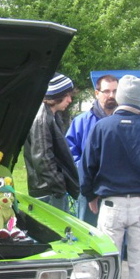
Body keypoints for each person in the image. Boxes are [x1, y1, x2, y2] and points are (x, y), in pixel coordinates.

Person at [80, 75, 140, 279]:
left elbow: (88, 165)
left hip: (110, 203)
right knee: (139, 263)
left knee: (108, 262)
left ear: (119, 97)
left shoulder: (102, 127)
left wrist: (89, 195)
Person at [66, 74, 119, 225]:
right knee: (87, 231)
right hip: (89, 189)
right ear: (97, 93)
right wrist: (85, 175)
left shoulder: (122, 123)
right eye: (107, 91)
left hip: (115, 190)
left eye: (115, 91)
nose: (111, 95)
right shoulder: (81, 122)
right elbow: (70, 152)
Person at [24, 73, 80, 212]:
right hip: (48, 192)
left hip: (50, 190)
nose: (70, 100)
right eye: (67, 95)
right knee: (54, 233)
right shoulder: (42, 118)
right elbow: (42, 158)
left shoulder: (52, 115)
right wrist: (60, 187)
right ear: (56, 95)